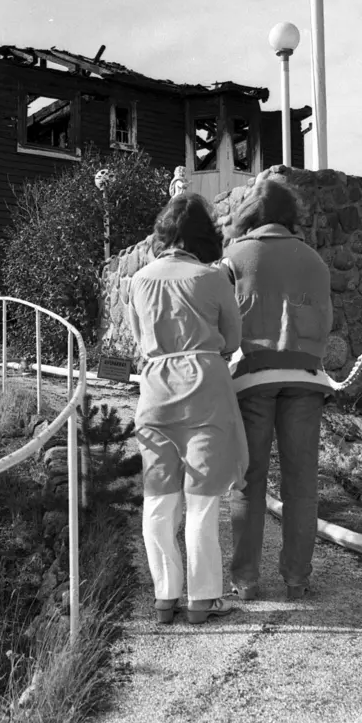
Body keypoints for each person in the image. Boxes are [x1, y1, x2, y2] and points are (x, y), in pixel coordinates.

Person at [126, 193, 247, 625]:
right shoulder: (213, 279)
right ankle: (203, 600)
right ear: (203, 236)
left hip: (156, 393)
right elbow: (233, 341)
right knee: (202, 502)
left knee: (158, 500)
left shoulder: (138, 280)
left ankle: (165, 597)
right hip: (205, 392)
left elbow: (140, 342)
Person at [223, 178, 332, 601]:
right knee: (302, 482)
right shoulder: (315, 261)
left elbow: (222, 319)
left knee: (249, 480)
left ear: (251, 212)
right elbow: (326, 322)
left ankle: (246, 580)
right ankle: (297, 579)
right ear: (291, 215)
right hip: (305, 378)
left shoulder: (234, 257)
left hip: (252, 377)